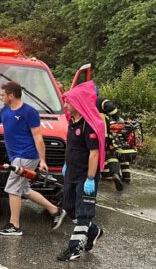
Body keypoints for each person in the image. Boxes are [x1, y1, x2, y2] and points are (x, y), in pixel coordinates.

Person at [0, 81, 66, 236]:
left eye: (3, 95)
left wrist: (43, 160)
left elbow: (38, 138)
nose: (1, 97)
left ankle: (15, 226)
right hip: (17, 157)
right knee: (24, 189)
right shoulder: (6, 110)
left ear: (11, 95)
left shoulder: (29, 112)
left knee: (13, 189)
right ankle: (55, 210)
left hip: (25, 156)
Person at [57, 81, 106, 261]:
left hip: (86, 174)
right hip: (72, 172)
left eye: (68, 102)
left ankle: (74, 249)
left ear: (77, 104)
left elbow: (94, 154)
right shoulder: (72, 122)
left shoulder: (89, 125)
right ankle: (93, 231)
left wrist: (91, 178)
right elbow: (71, 147)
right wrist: (66, 164)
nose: (65, 105)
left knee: (84, 212)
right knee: (69, 207)